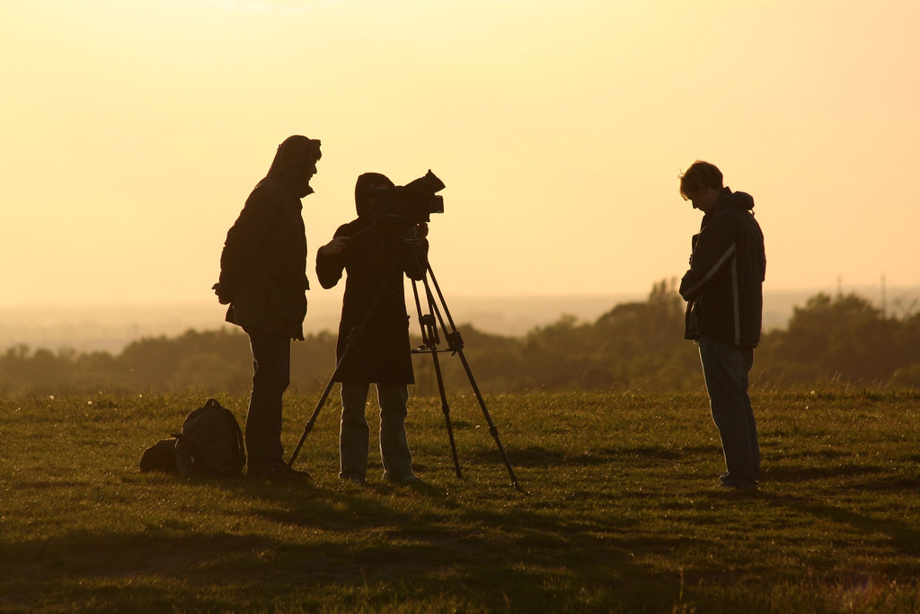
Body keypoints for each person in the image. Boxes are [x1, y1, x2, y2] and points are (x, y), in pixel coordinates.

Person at [213, 135, 321, 481]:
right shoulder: (271, 196)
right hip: (266, 303)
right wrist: (228, 286)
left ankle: (268, 460)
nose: (314, 171)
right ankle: (265, 463)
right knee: (271, 381)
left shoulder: (279, 196)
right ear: (296, 165)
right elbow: (238, 240)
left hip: (272, 303)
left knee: (272, 380)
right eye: (310, 164)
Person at [315, 172, 426, 485]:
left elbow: (417, 273)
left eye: (385, 195)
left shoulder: (398, 231)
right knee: (353, 410)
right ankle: (352, 474)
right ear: (361, 199)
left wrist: (419, 243)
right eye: (373, 195)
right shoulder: (351, 232)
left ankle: (400, 471)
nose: (379, 201)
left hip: (391, 328)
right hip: (357, 327)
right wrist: (326, 254)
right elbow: (327, 279)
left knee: (395, 408)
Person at [677, 161, 766, 491]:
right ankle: (748, 470)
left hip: (722, 327)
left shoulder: (723, 223)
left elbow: (700, 276)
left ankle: (741, 476)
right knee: (739, 402)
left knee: (727, 405)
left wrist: (685, 285)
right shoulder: (746, 220)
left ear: (702, 187)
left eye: (693, 197)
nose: (694, 205)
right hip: (744, 326)